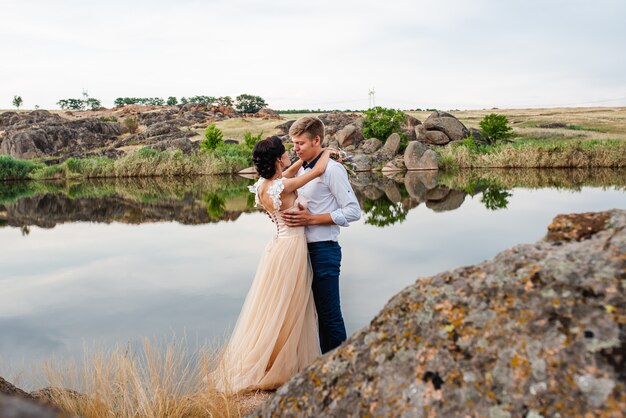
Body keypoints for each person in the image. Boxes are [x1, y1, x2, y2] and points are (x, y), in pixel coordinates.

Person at [214, 135, 333, 393]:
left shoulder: (264, 186)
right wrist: (325, 151)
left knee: (275, 305)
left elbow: (289, 173)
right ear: (279, 158)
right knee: (292, 305)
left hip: (277, 246)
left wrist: (303, 159)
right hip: (292, 249)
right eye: (286, 152)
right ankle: (283, 365)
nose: (291, 153)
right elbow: (320, 170)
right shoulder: (283, 187)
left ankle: (270, 360)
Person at [282, 116, 361, 354]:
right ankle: (322, 369)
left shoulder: (333, 171)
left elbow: (353, 211)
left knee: (329, 316)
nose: (295, 149)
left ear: (317, 140)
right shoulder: (303, 171)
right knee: (310, 317)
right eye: (293, 144)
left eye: (300, 143)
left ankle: (341, 372)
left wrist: (312, 219)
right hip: (299, 251)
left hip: (324, 250)